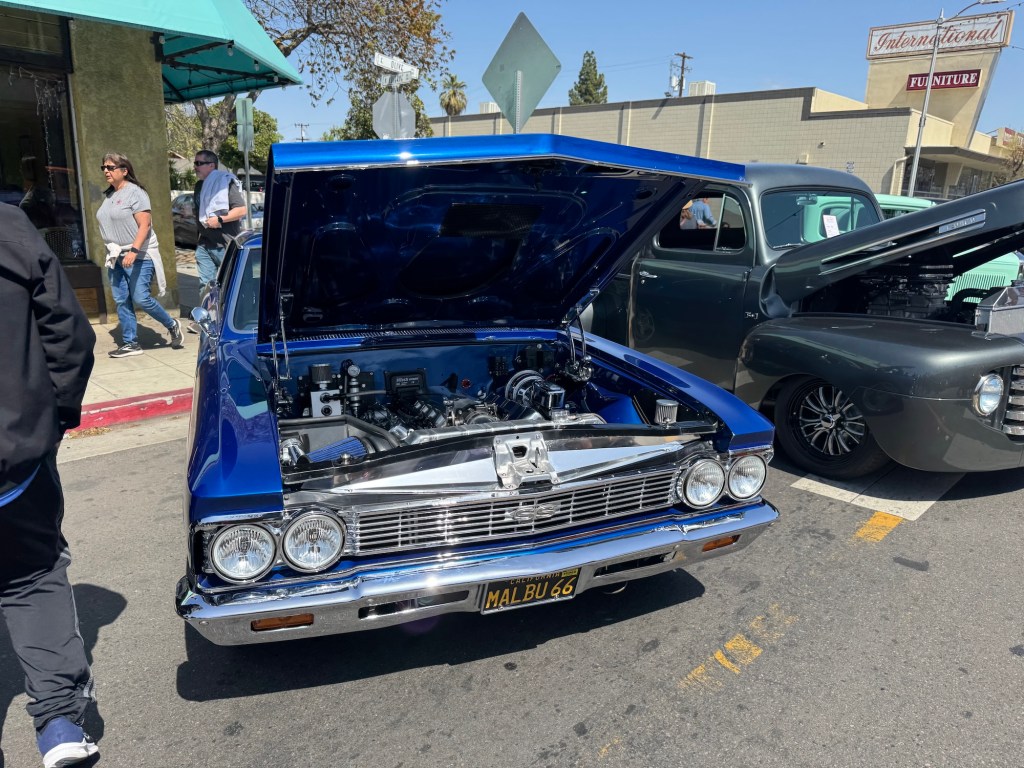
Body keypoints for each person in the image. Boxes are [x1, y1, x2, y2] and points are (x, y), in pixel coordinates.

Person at [0, 203, 99, 768]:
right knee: (32, 577)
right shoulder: (9, 227)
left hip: (18, 455)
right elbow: (69, 334)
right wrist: (52, 420)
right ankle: (59, 723)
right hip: (14, 458)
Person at [96, 152, 182, 358]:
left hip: (138, 255)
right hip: (116, 256)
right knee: (121, 300)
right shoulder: (110, 194)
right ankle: (130, 343)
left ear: (124, 170)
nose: (106, 171)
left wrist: (134, 251)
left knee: (141, 298)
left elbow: (145, 225)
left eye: (110, 167)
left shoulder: (136, 193)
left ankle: (171, 324)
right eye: (104, 167)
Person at [192, 150, 247, 288]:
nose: (195, 167)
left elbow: (241, 210)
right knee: (206, 286)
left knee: (230, 286)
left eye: (199, 163)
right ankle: (207, 303)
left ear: (211, 165)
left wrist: (219, 219)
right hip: (204, 244)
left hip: (224, 245)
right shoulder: (199, 186)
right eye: (195, 163)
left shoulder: (225, 182)